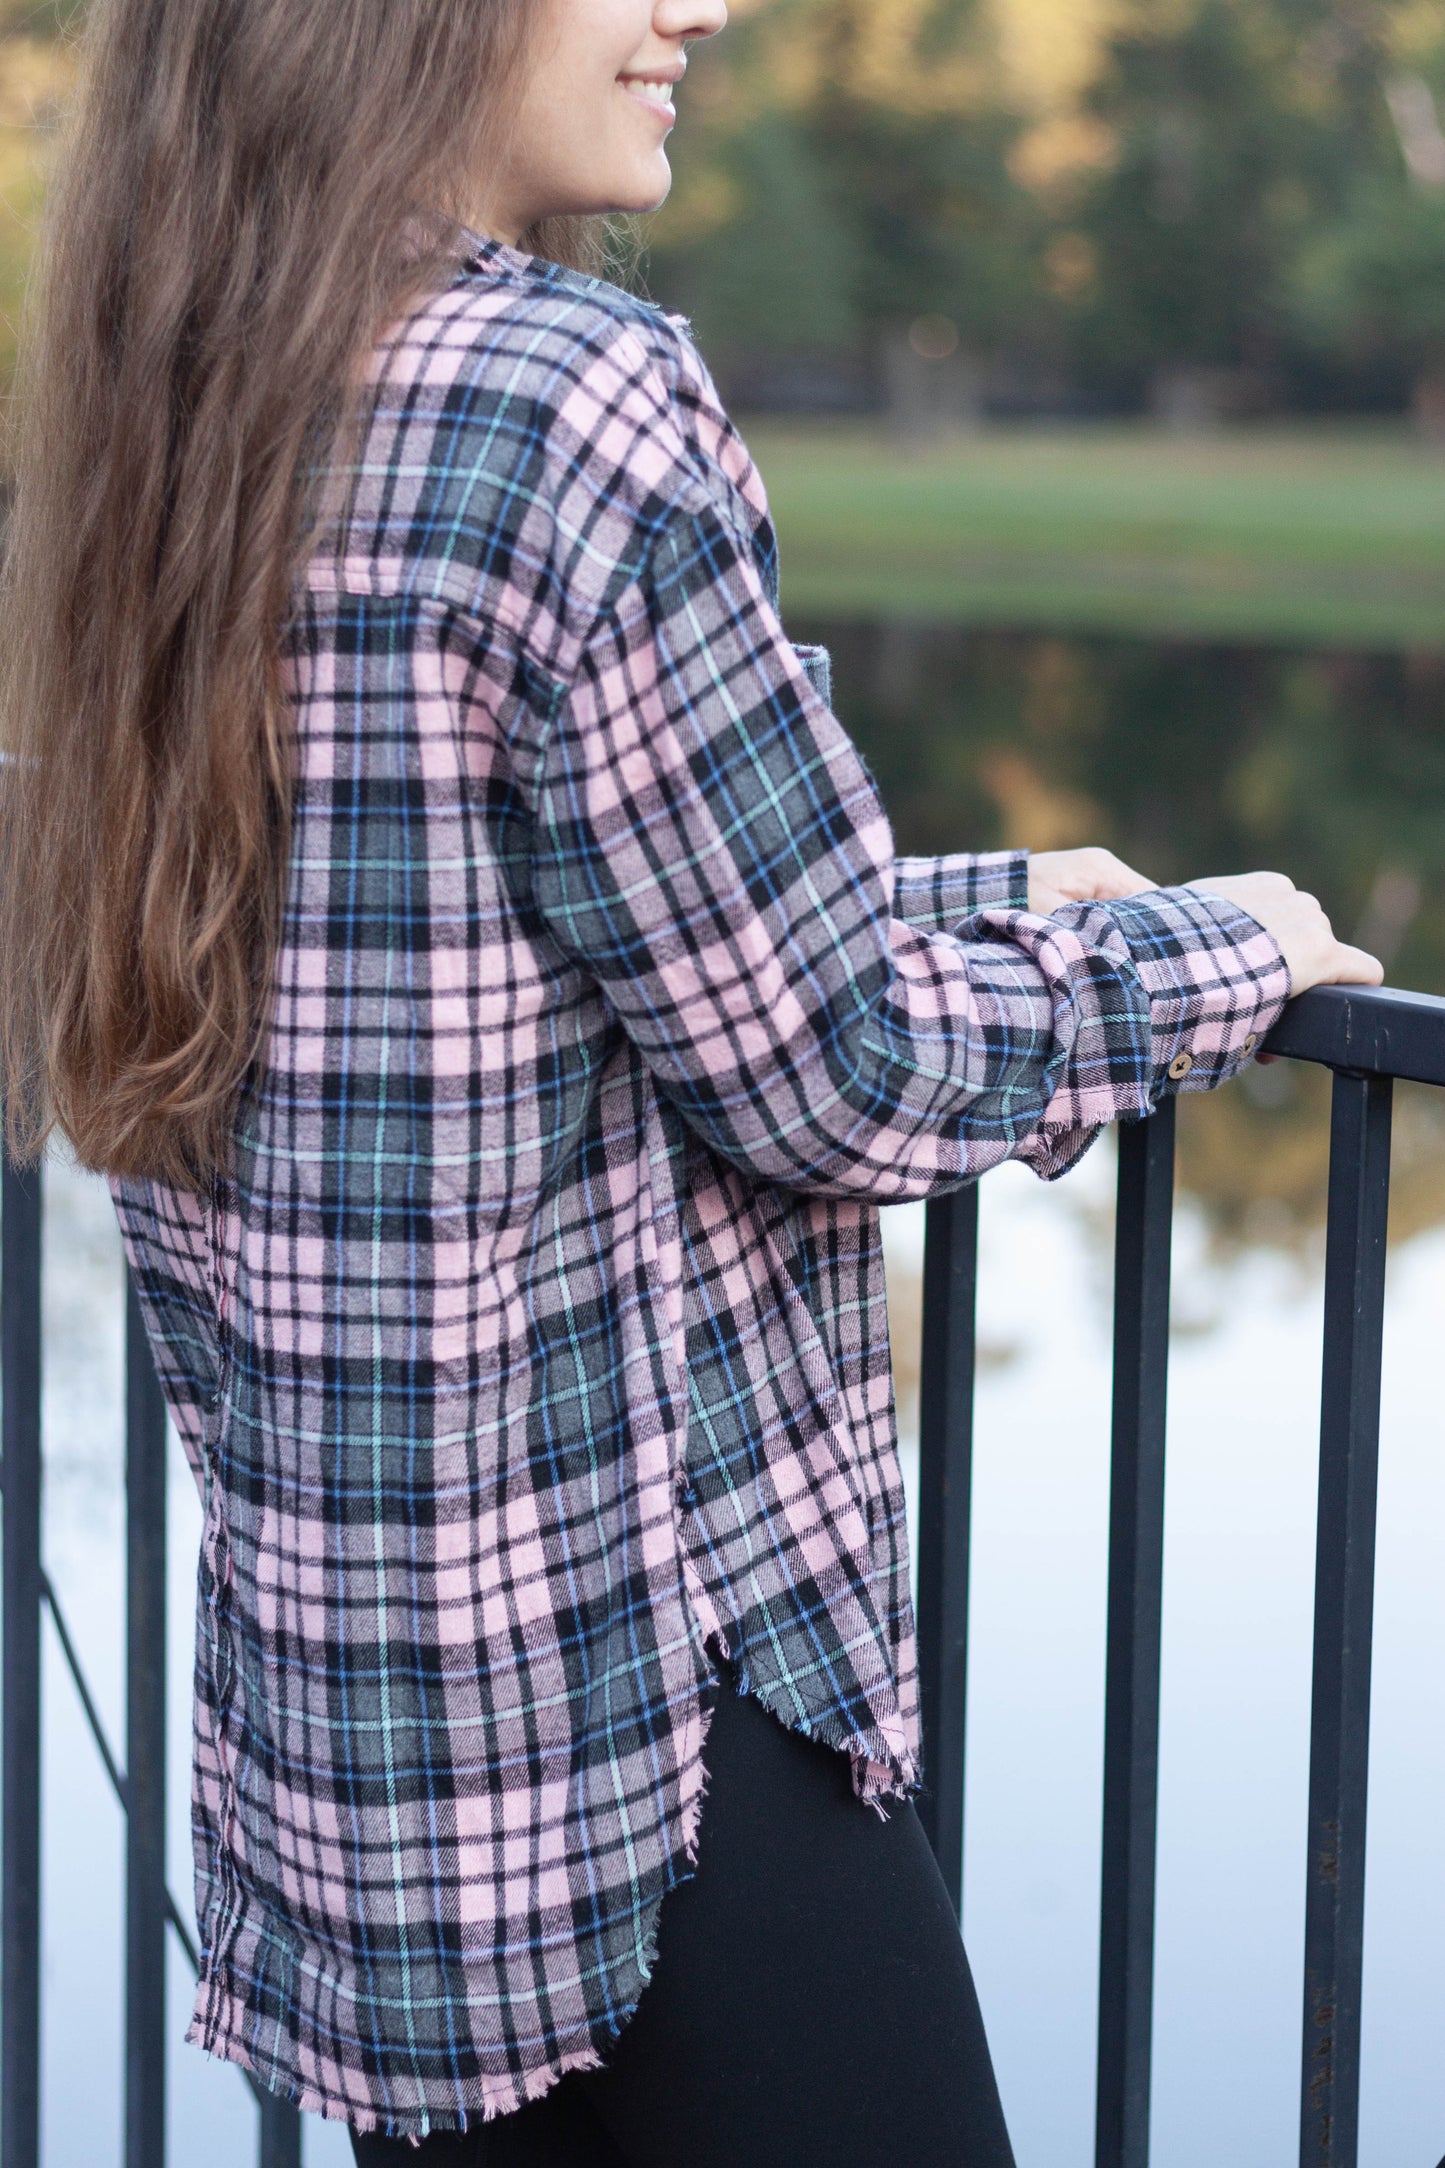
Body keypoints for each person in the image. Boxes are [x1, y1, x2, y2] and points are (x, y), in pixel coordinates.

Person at [0, 0, 1382, 2161]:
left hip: (369, 1739)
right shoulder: (569, 394)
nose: (698, 7)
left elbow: (518, 921)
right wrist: (1205, 963)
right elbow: (827, 1063)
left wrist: (1015, 884)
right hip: (640, 1719)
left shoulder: (178, 401)